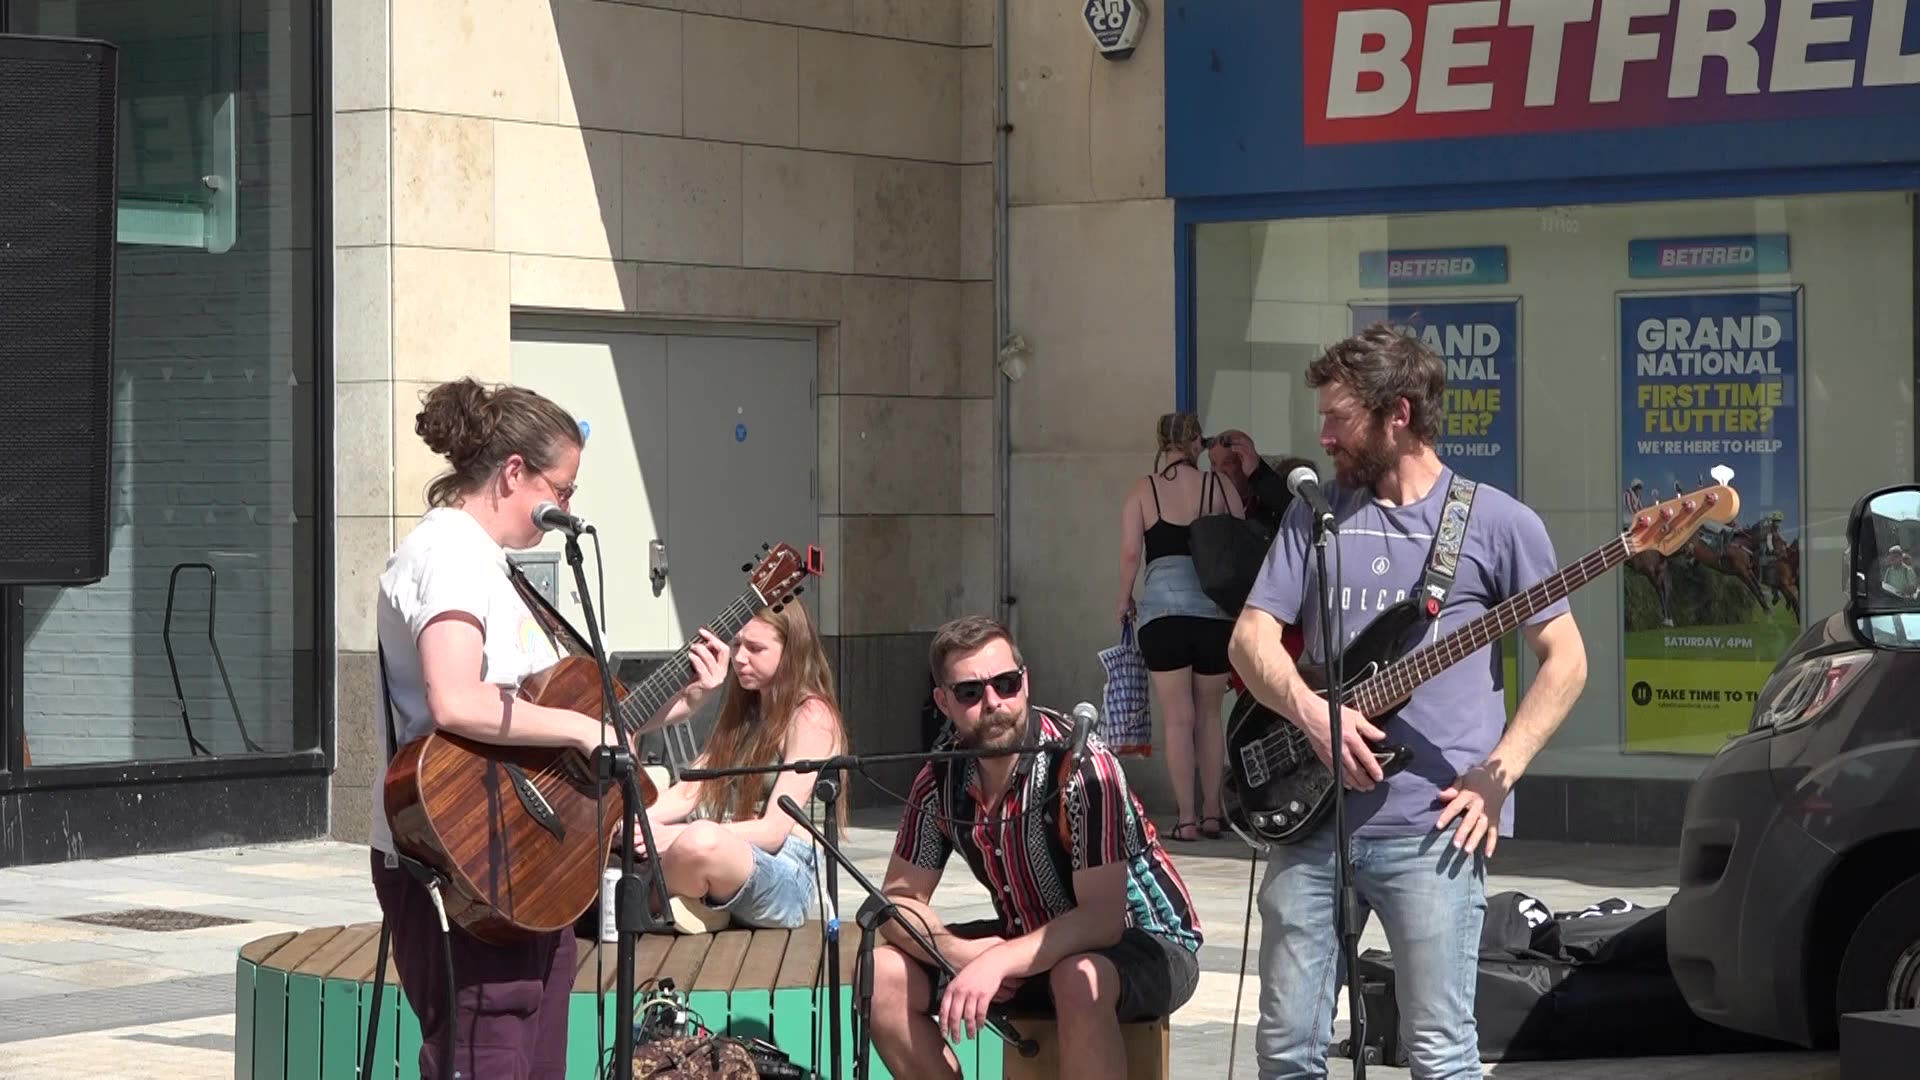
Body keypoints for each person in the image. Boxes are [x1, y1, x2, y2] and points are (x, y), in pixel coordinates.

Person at [1227, 326, 1588, 1080]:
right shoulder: (1317, 515)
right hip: (1309, 824)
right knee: (1286, 1050)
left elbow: (1566, 662)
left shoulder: (1498, 523)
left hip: (1432, 831)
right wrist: (1307, 712)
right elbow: (1250, 641)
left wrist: (1499, 774)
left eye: (1338, 418)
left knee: (1439, 1053)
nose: (1321, 436)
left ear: (1398, 413)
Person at [368, 377, 728, 1080]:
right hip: (464, 855)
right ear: (512, 473)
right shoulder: (449, 556)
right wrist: (574, 725)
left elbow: (555, 718)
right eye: (561, 489)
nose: (566, 507)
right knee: (486, 1053)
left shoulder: (496, 568)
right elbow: (456, 699)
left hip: (531, 860)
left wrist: (678, 700)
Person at [867, 616, 1203, 1079]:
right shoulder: (938, 780)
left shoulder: (1083, 769)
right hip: (1030, 938)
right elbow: (898, 901)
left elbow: (1102, 920)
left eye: (1005, 684)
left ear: (1025, 683)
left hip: (1142, 940)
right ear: (943, 702)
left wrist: (997, 960)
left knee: (1077, 978)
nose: (993, 703)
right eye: (970, 692)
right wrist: (959, 953)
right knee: (881, 973)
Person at [633, 600, 846, 928]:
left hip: (787, 873)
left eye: (756, 648)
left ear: (792, 652)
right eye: (736, 646)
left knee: (699, 840)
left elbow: (774, 830)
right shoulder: (743, 711)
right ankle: (690, 905)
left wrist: (675, 835)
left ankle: (643, 909)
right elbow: (688, 793)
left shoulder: (811, 716)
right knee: (615, 831)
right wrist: (632, 824)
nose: (740, 658)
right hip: (734, 858)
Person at [1116, 412, 1245, 841]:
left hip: (1162, 617)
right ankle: (1213, 814)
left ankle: (1186, 819)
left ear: (1161, 441)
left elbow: (1132, 554)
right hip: (1213, 615)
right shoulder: (1220, 486)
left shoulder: (1143, 489)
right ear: (1195, 443)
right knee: (1209, 715)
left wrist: (1123, 600)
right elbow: (1238, 546)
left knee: (1177, 719)